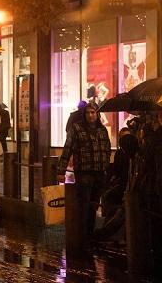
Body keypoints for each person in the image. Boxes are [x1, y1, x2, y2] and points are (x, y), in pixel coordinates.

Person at [57, 102, 111, 246]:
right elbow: (67, 149)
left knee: (93, 205)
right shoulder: (76, 129)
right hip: (84, 172)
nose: (90, 115)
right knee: (84, 205)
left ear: (97, 114)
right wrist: (61, 171)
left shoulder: (102, 130)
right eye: (88, 113)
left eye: (93, 112)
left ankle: (90, 235)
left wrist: (106, 166)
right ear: (84, 114)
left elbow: (106, 149)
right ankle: (83, 237)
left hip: (99, 172)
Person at [93, 129, 135, 241]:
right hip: (123, 188)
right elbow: (118, 171)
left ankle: (104, 234)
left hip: (130, 194)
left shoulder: (135, 159)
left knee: (120, 211)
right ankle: (104, 232)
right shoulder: (123, 155)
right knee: (109, 200)